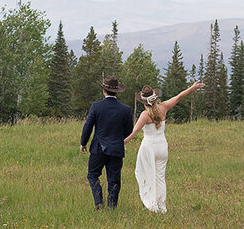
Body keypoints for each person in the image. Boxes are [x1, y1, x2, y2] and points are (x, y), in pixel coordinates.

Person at [123, 80, 205, 214]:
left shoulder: (145, 115)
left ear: (144, 102)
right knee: (160, 177)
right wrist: (192, 87)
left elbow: (134, 133)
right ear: (155, 99)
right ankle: (161, 206)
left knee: (146, 174)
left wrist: (122, 143)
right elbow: (179, 96)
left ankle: (152, 204)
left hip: (149, 147)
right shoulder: (164, 107)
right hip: (162, 146)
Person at [79, 76, 134, 210]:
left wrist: (83, 143)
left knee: (92, 174)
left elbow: (88, 126)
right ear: (117, 92)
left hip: (98, 148)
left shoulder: (96, 106)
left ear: (104, 90)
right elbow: (129, 130)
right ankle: (112, 206)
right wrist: (118, 139)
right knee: (114, 179)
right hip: (116, 148)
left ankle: (99, 202)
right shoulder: (125, 109)